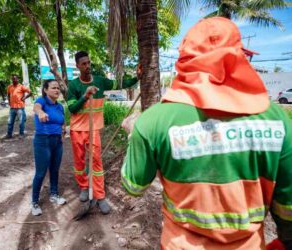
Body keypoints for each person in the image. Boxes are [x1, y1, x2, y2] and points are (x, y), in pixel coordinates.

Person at [121, 17, 292, 249]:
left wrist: (134, 133)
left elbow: (133, 186)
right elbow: (287, 208)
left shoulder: (153, 121)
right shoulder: (277, 120)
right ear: (239, 58)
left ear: (184, 60)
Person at [67, 51, 141, 215]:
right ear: (78, 66)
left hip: (94, 129)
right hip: (77, 130)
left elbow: (120, 83)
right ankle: (84, 187)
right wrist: (85, 96)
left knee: (97, 163)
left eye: (88, 63)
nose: (87, 66)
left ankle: (100, 197)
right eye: (83, 64)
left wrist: (137, 77)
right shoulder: (73, 86)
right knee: (79, 162)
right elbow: (72, 108)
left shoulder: (100, 81)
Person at [31, 79, 67, 216]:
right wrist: (40, 113)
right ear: (46, 90)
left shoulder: (59, 106)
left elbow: (62, 122)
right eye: (53, 88)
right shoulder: (41, 101)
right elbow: (36, 108)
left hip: (57, 142)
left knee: (55, 170)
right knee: (40, 173)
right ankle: (34, 202)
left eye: (58, 88)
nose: (57, 90)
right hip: (43, 141)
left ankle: (54, 194)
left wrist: (63, 132)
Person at [5, 75, 31, 139]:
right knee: (10, 122)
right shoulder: (9, 87)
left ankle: (21, 134)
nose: (14, 80)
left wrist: (24, 97)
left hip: (20, 107)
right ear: (12, 80)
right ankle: (9, 134)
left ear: (18, 79)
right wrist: (9, 102)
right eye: (13, 79)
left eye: (15, 79)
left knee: (21, 122)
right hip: (12, 108)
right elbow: (8, 94)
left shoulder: (21, 86)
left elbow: (30, 92)